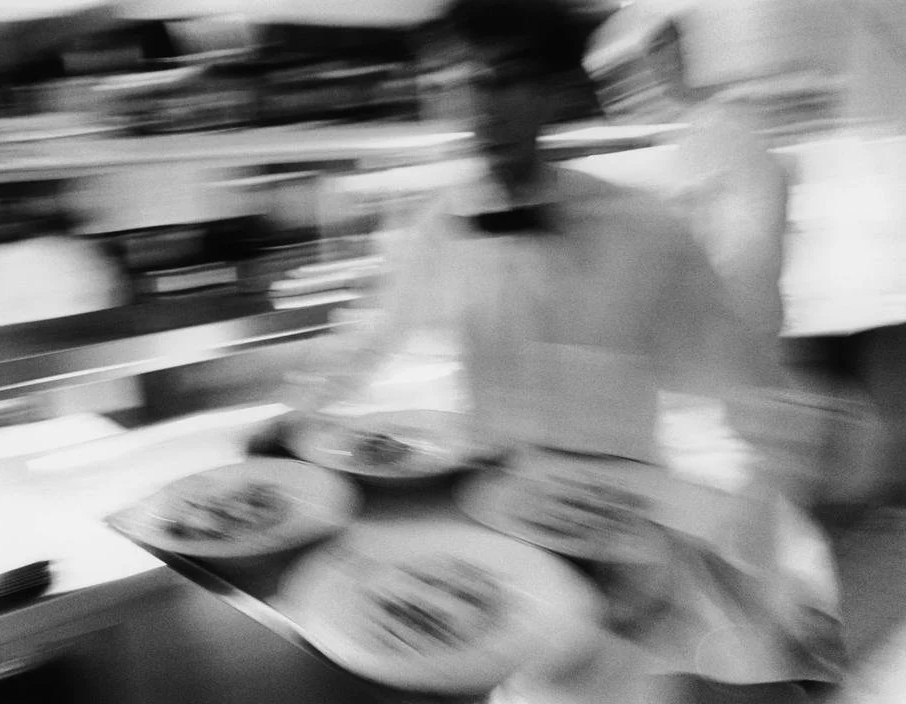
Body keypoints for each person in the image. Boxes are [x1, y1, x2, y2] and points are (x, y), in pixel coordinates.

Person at [248, 0, 834, 699]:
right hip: (489, 548)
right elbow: (370, 336)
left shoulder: (644, 232)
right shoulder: (438, 226)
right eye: (458, 85)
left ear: (553, 91)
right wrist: (293, 416)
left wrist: (757, 555)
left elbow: (751, 396)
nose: (480, 109)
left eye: (505, 81)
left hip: (616, 557)